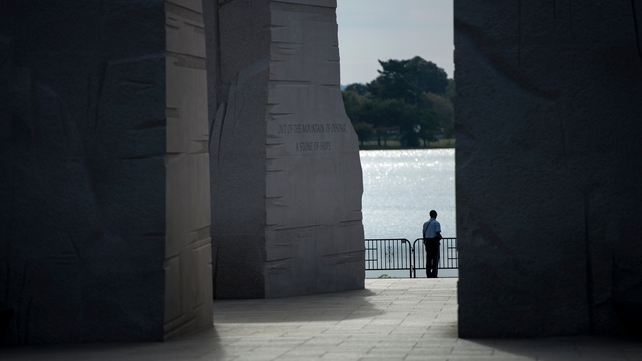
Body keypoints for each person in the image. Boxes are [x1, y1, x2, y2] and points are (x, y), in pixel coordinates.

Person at [422, 210, 442, 278]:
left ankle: (428, 274)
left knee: (429, 258)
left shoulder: (425, 223)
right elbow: (437, 233)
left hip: (427, 242)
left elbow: (424, 233)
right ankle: (434, 274)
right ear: (435, 215)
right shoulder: (436, 223)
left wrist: (424, 241)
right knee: (435, 258)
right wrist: (440, 237)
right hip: (434, 242)